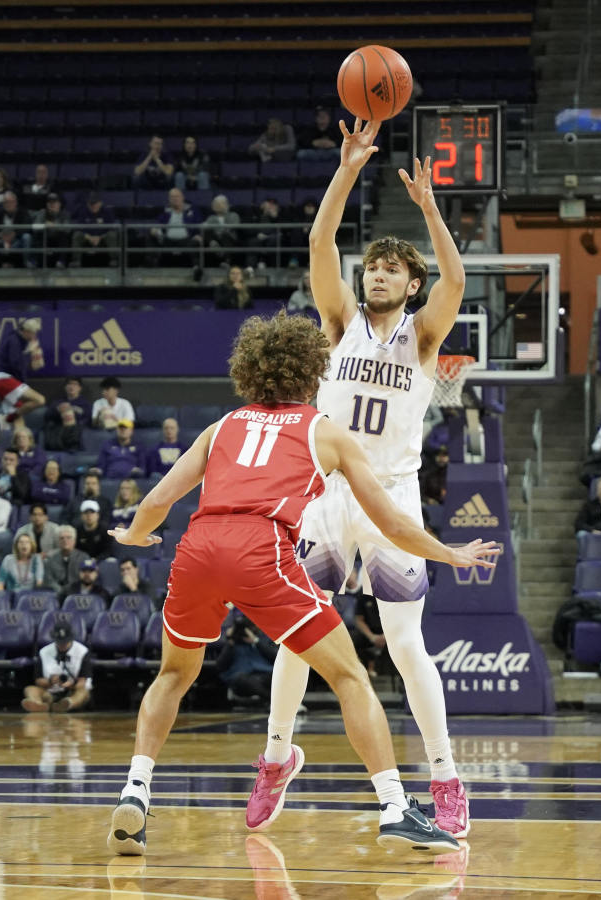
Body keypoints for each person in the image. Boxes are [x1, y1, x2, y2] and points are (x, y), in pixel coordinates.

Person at [104, 311, 494, 857]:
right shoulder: (325, 431)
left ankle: (136, 791)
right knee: (350, 677)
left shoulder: (223, 426)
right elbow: (394, 525)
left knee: (173, 674)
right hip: (261, 550)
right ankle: (395, 808)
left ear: (250, 371)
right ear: (315, 372)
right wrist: (449, 552)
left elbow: (156, 502)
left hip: (198, 548)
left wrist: (134, 536)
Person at [230, 128, 483, 838]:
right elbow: (319, 245)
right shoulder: (338, 322)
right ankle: (277, 759)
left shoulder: (424, 338)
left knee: (406, 646)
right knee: (295, 639)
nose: (375, 274)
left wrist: (431, 212)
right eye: (371, 265)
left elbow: (456, 282)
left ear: (410, 284)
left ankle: (444, 777)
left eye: (390, 269)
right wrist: (344, 173)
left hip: (393, 494)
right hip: (328, 494)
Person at [23, 621, 92, 713]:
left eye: (65, 642)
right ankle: (38, 704)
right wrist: (51, 681)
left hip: (73, 692)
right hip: (50, 692)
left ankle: (68, 704)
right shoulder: (44, 652)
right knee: (30, 689)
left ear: (71, 639)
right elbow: (38, 680)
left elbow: (82, 681)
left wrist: (71, 685)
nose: (62, 645)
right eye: (59, 642)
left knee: (83, 692)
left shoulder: (83, 652)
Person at [0, 318, 45, 430]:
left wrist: (35, 357)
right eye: (33, 333)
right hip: (5, 380)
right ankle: (7, 418)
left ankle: (16, 446)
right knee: (40, 400)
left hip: (4, 382)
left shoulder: (21, 342)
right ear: (26, 331)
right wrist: (29, 352)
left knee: (19, 425)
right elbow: (16, 364)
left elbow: (27, 366)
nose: (34, 336)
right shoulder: (14, 341)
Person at [218, 611, 278, 706]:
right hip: (243, 679)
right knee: (242, 679)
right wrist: (230, 642)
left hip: (265, 674)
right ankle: (275, 702)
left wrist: (256, 641)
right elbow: (220, 666)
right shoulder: (233, 642)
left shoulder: (264, 638)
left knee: (279, 676)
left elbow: (276, 658)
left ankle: (270, 700)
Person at [44, 525, 89, 596]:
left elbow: (87, 578)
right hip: (56, 594)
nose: (65, 540)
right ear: (58, 541)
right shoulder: (51, 559)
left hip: (78, 593)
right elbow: (49, 580)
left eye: (69, 538)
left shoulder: (84, 558)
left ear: (74, 541)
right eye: (61, 538)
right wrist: (61, 591)